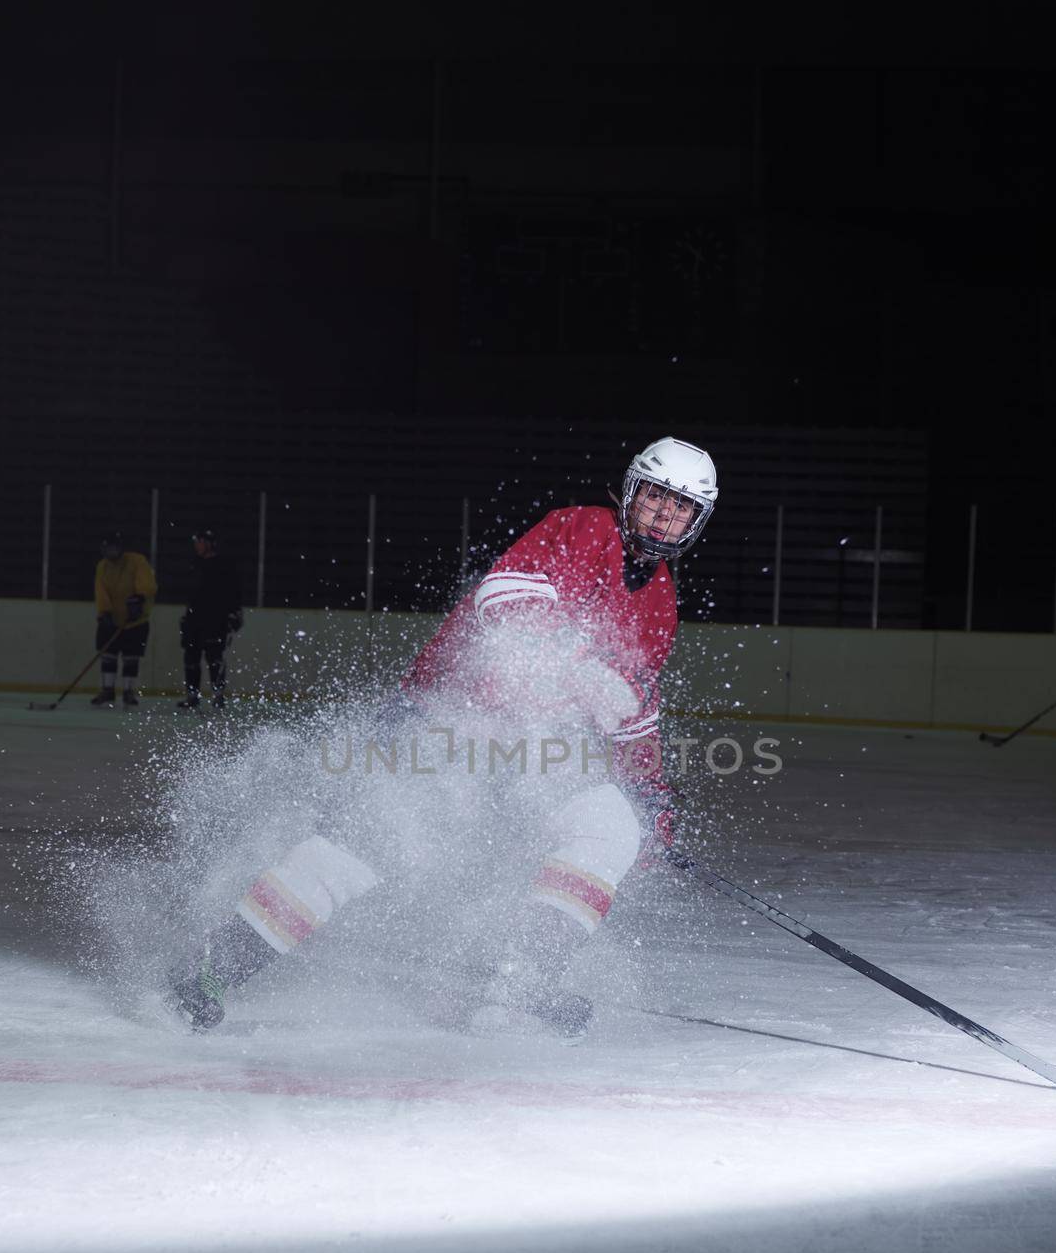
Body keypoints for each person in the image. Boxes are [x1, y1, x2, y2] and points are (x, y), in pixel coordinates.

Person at [165, 436, 718, 1036]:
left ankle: (522, 983)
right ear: (632, 491)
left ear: (696, 522)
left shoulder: (661, 602)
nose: (665, 514)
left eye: (682, 507)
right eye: (658, 497)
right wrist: (578, 663)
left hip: (534, 748)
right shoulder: (580, 529)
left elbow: (635, 712)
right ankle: (213, 965)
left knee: (611, 826)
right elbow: (500, 601)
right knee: (365, 848)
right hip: (448, 716)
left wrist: (653, 796)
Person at [177, 528, 244, 711]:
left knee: (215, 659)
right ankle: (192, 696)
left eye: (199, 542)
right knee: (191, 658)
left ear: (209, 544)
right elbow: (191, 593)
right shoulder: (194, 564)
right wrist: (186, 616)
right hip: (194, 619)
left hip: (216, 619)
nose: (196, 546)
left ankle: (218, 695)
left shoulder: (223, 565)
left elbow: (234, 592)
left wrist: (235, 613)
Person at [92, 530, 157, 708]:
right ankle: (107, 690)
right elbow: (101, 591)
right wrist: (104, 612)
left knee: (131, 657)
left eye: (113, 548)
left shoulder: (136, 561)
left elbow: (148, 584)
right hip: (112, 619)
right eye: (106, 549)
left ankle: (128, 692)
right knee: (108, 656)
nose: (110, 552)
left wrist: (139, 598)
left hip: (136, 621)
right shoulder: (102, 567)